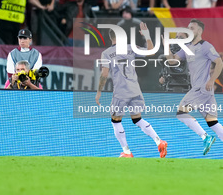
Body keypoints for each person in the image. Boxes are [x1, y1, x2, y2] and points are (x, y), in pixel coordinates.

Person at [95, 22, 168, 158]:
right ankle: (159, 141)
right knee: (137, 119)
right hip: (135, 89)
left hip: (121, 91)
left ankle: (127, 151)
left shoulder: (106, 53)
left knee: (116, 120)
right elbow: (151, 51)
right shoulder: (131, 48)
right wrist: (147, 35)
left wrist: (99, 92)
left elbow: (104, 74)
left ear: (111, 38)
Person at [164, 19, 223, 155]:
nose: (189, 30)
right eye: (188, 27)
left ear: (200, 31)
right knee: (213, 123)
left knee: (181, 112)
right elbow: (172, 60)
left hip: (201, 88)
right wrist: (166, 45)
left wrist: (212, 80)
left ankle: (205, 137)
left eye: (192, 28)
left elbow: (219, 62)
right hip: (204, 91)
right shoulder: (188, 47)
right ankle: (207, 135)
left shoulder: (206, 46)